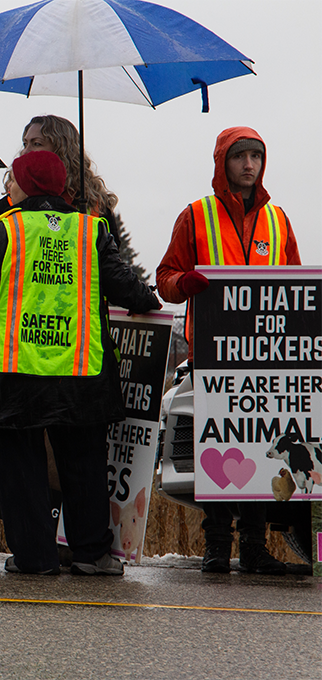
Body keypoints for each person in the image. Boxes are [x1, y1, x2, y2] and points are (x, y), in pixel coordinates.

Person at [0, 151, 159, 575]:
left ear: (28, 185)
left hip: (14, 374)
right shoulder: (90, 231)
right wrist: (150, 301)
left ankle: (35, 557)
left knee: (21, 472)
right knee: (85, 467)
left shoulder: (6, 229)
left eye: (13, 180)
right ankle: (94, 555)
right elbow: (126, 285)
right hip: (80, 373)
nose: (8, 187)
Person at [156, 127, 297, 576]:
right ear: (224, 162)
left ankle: (254, 547)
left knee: (261, 451)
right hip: (212, 356)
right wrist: (186, 282)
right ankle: (216, 546)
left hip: (265, 359)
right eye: (241, 157)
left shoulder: (278, 221)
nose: (249, 165)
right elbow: (165, 279)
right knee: (216, 447)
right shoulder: (195, 216)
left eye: (256, 156)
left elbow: (293, 286)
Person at [0, 114, 121, 244]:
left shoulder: (96, 206)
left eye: (36, 144)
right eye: (25, 144)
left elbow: (112, 259)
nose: (25, 151)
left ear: (63, 151)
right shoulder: (7, 204)